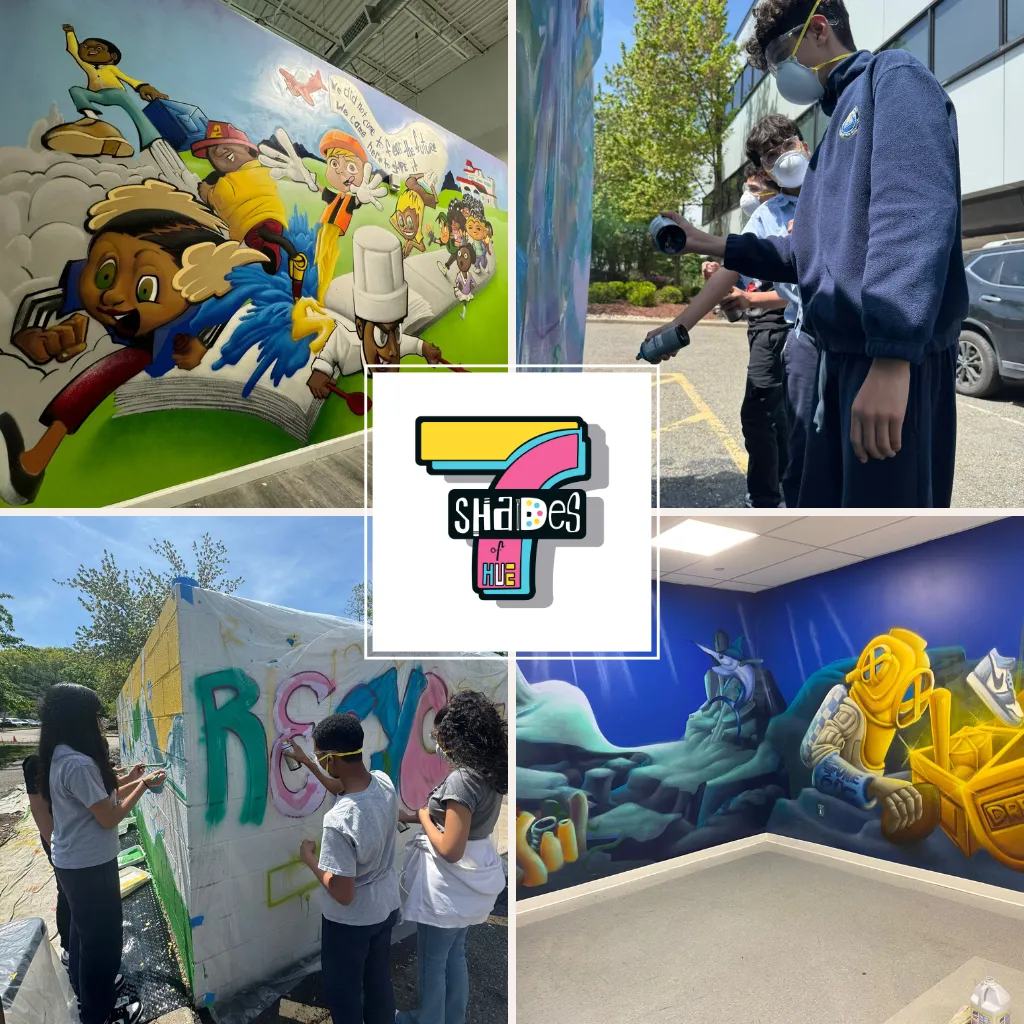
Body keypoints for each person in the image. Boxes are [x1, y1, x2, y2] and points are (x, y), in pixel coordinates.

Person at [661, 0, 966, 507]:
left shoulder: (893, 79)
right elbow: (805, 251)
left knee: (881, 540)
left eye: (782, 56)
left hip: (884, 361)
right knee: (829, 523)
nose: (782, 74)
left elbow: (911, 211)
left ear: (819, 29)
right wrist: (704, 240)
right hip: (839, 359)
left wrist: (892, 359)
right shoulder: (833, 127)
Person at [647, 115, 818, 508]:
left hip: (844, 337)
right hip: (803, 336)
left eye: (788, 144)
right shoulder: (765, 217)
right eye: (772, 155)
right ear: (765, 169)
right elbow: (731, 268)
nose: (784, 157)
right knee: (795, 429)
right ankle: (776, 505)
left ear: (804, 145)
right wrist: (678, 326)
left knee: (829, 437)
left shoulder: (834, 186)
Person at [39, 683, 165, 1024]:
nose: (100, 723)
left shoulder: (62, 754)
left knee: (83, 938)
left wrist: (131, 778)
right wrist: (144, 785)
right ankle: (100, 1014)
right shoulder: (78, 763)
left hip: (76, 865)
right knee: (102, 946)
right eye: (96, 716)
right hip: (88, 867)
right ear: (79, 719)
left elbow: (98, 799)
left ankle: (88, 997)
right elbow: (109, 817)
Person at [396, 691, 508, 1024]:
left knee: (432, 960)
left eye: (441, 737)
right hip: (470, 884)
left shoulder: (462, 781)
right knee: (454, 954)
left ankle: (427, 1019)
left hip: (448, 887)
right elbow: (458, 821)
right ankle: (452, 1017)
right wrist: (416, 816)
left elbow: (449, 847)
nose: (439, 744)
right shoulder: (489, 773)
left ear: (459, 737)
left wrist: (424, 817)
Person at [296, 712, 400, 1024]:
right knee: (378, 981)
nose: (317, 759)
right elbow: (342, 786)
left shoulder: (340, 821)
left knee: (343, 993)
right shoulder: (382, 782)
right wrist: (308, 762)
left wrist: (310, 860)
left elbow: (343, 893)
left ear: (331, 758)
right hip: (386, 908)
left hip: (351, 924)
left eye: (318, 755)